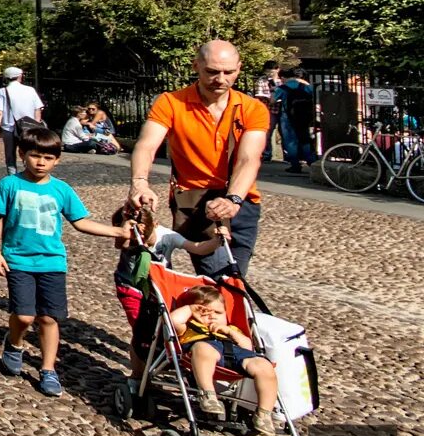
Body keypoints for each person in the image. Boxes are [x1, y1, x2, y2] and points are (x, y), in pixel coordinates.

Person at [0, 123, 127, 397]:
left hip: (52, 262)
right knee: (25, 316)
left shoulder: (61, 190)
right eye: (35, 155)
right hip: (18, 260)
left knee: (50, 318)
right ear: (21, 154)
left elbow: (81, 221)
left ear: (57, 160)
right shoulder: (9, 184)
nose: (41, 162)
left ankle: (48, 369)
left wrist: (117, 231)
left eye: (48, 158)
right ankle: (14, 343)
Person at [127, 39, 270, 280]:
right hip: (196, 203)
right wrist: (139, 182)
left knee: (235, 281)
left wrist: (233, 200)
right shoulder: (171, 103)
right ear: (196, 66)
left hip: (242, 201)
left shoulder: (252, 108)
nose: (221, 79)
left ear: (239, 68)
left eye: (229, 72)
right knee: (218, 280)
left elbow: (249, 159)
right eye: (212, 72)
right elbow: (147, 145)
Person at [110, 203, 226, 380]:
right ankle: (138, 372)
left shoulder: (167, 236)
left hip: (158, 289)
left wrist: (216, 242)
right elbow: (121, 244)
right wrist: (128, 230)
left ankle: (166, 356)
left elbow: (197, 248)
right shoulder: (129, 237)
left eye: (146, 238)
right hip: (131, 289)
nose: (142, 240)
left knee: (165, 326)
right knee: (142, 329)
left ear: (156, 225)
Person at [169, 284, 280, 435]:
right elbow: (173, 320)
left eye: (218, 312)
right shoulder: (188, 327)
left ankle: (263, 414)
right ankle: (208, 395)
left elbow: (247, 348)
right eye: (205, 312)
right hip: (204, 351)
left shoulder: (232, 329)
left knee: (264, 365)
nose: (212, 315)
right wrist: (190, 309)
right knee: (203, 348)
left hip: (236, 355)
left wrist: (229, 332)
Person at [0, 65, 45, 175]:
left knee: (10, 156)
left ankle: (12, 179)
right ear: (20, 76)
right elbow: (38, 109)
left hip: (9, 128)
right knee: (29, 153)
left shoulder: (3, 91)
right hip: (28, 128)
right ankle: (30, 177)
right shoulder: (30, 90)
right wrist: (36, 125)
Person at [273, 67, 317, 174]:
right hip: (304, 117)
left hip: (287, 117)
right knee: (305, 139)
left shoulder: (283, 88)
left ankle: (295, 165)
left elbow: (273, 100)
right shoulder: (307, 87)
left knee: (290, 141)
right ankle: (312, 162)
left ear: (284, 77)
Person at [253, 60, 281, 162]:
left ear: (277, 70)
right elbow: (259, 95)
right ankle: (267, 153)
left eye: (272, 72)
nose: (269, 74)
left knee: (285, 133)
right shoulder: (262, 80)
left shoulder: (282, 80)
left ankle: (289, 156)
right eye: (268, 72)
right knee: (267, 132)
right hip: (268, 108)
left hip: (281, 108)